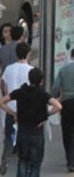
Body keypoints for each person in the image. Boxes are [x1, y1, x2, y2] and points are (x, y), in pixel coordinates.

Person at [0, 68, 62, 177]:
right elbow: (58, 106)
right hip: (36, 134)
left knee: (22, 161)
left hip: (22, 132)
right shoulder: (43, 94)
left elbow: (2, 102)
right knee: (35, 164)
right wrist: (46, 115)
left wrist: (14, 113)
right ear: (41, 81)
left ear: (29, 79)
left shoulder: (20, 92)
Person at [0, 42, 33, 175]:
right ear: (28, 54)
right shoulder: (31, 70)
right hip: (25, 111)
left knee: (8, 137)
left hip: (10, 108)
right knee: (25, 138)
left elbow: (4, 85)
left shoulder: (8, 69)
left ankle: (4, 160)